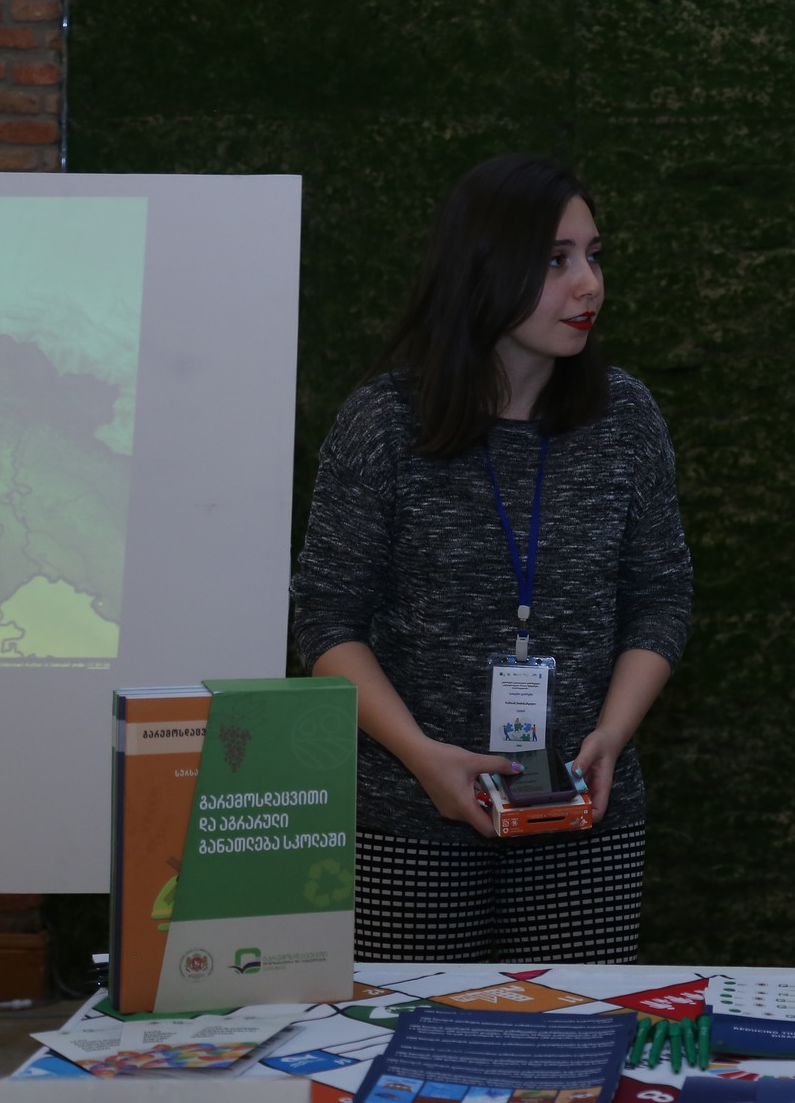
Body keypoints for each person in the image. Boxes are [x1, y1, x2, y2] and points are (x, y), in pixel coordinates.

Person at [291, 154, 691, 963]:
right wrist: (421, 756)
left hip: (582, 817)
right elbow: (324, 620)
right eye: (556, 260)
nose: (589, 284)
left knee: (570, 1038)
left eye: (593, 255)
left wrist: (612, 733)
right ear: (483, 268)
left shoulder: (624, 417)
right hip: (408, 818)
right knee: (415, 1039)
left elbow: (662, 596)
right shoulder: (384, 423)